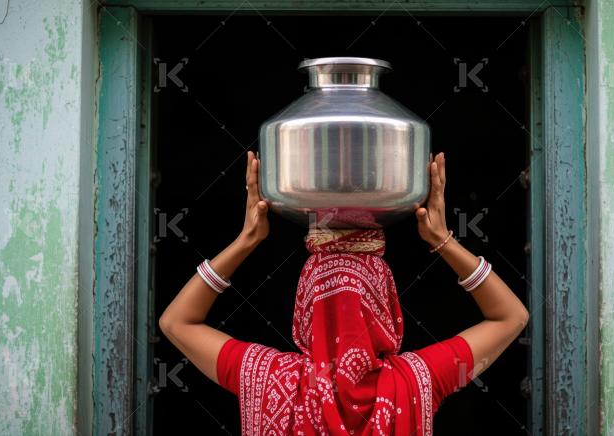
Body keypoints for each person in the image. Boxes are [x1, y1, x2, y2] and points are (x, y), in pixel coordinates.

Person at [159, 150, 529, 435]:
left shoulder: (270, 379)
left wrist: (245, 241)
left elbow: (177, 322)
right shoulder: (416, 381)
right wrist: (442, 240)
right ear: (386, 304)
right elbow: (510, 317)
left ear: (304, 305)